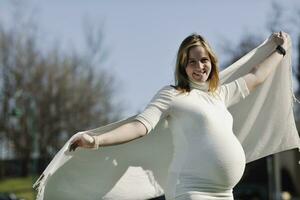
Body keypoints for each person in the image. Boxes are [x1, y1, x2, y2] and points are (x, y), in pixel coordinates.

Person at [67, 31, 290, 200]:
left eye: (204, 60)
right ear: (183, 66)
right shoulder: (173, 95)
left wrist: (281, 51)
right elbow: (139, 125)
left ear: (211, 62)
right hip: (191, 190)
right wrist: (96, 140)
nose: (199, 66)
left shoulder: (220, 94)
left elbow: (256, 76)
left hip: (225, 192)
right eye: (191, 61)